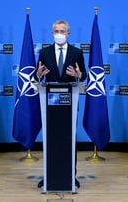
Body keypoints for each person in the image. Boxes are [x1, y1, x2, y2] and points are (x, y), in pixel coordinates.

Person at [36, 19, 87, 189]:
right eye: (56, 31)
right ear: (52, 33)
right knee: (51, 140)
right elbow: (39, 75)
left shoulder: (77, 52)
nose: (59, 34)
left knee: (69, 139)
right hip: (49, 105)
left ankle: (71, 176)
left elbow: (83, 75)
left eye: (62, 31)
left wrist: (79, 75)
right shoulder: (44, 52)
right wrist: (38, 75)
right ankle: (49, 175)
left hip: (69, 104)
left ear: (68, 34)